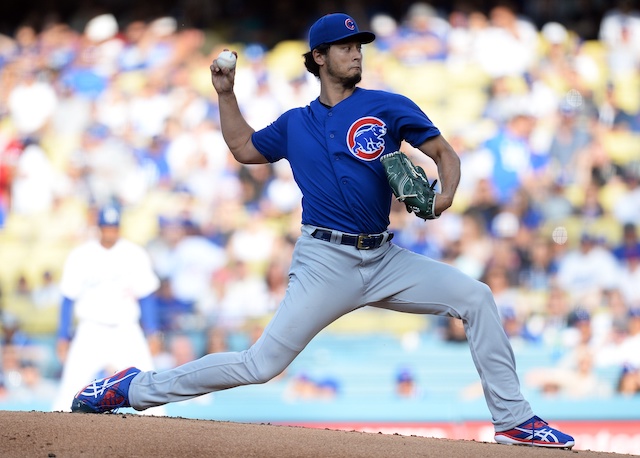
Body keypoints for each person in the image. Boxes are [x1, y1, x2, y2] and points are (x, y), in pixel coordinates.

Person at [69, 13, 574, 449]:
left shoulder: (388, 104)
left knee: (477, 296)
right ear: (318, 58)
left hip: (385, 259)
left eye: (359, 46)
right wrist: (226, 95)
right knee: (259, 364)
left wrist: (444, 194)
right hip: (324, 262)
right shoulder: (295, 123)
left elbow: (444, 153)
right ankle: (131, 389)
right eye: (345, 47)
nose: (356, 54)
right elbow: (244, 148)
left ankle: (514, 421)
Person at [52, 204, 164, 415]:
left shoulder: (134, 253)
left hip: (126, 329)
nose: (110, 231)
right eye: (106, 227)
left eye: (113, 227)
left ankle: (161, 438)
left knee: (149, 387)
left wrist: (152, 331)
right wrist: (63, 336)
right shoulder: (81, 255)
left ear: (119, 228)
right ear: (99, 227)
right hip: (91, 330)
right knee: (68, 390)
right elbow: (68, 297)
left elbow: (147, 295)